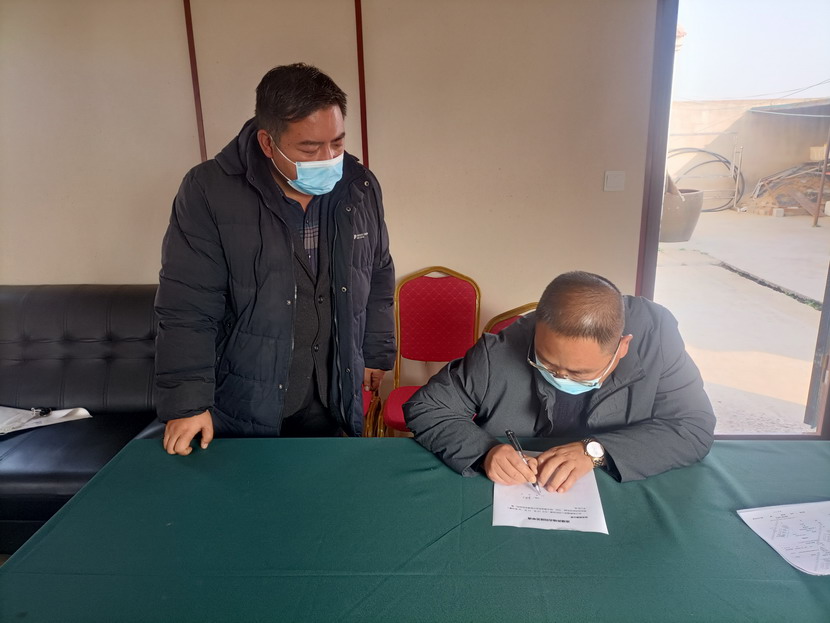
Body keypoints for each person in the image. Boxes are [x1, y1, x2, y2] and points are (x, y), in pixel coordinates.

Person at [155, 63, 395, 455]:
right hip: (246, 397)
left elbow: (378, 272)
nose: (328, 158)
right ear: (268, 143)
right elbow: (187, 305)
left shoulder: (359, 185)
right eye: (310, 149)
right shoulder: (208, 191)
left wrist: (374, 351)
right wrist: (188, 402)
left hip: (333, 393)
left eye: (337, 143)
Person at [404, 271, 715, 493]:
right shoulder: (500, 350)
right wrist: (485, 451)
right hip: (516, 491)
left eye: (580, 373)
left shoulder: (656, 339)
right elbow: (427, 408)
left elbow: (693, 427)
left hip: (617, 486)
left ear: (622, 348)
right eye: (547, 364)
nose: (561, 378)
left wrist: (595, 451)